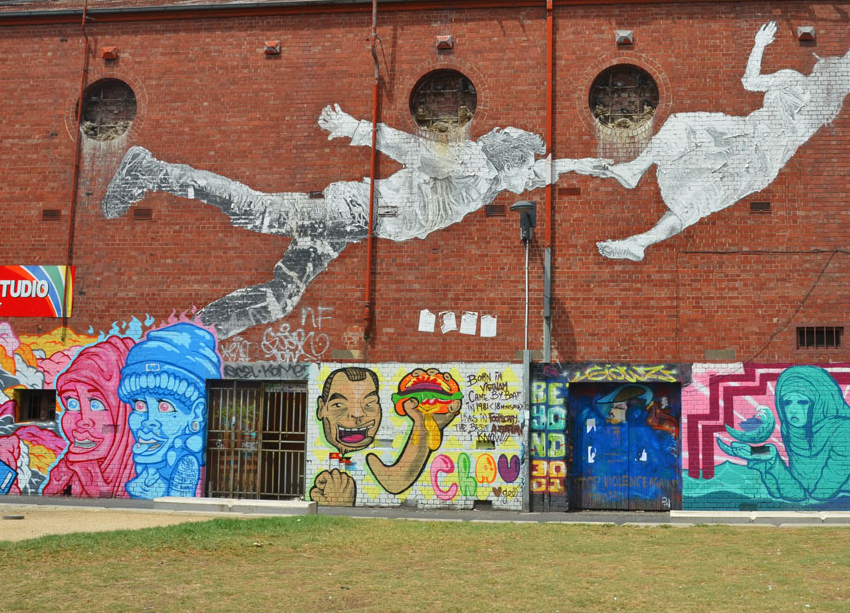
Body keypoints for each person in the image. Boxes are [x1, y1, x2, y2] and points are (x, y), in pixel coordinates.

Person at [102, 110, 610, 338]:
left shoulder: (493, 179)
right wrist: (355, 128)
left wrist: (590, 165)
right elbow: (411, 148)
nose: (527, 180)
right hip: (351, 211)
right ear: (509, 159)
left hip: (352, 227)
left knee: (280, 298)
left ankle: (194, 332)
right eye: (524, 168)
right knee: (257, 211)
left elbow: (547, 171)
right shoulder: (469, 164)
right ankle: (153, 170)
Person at [591, 17, 850, 260]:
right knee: (686, 134)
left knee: (695, 185)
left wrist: (761, 44)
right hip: (751, 144)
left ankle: (639, 233)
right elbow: (754, 82)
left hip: (752, 151)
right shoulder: (805, 97)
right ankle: (635, 179)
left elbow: (754, 83)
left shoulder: (805, 97)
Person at [309, 366, 462, 506]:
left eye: (369, 404)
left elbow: (396, 481)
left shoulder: (375, 453)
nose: (357, 414)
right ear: (322, 408)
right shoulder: (363, 456)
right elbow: (395, 481)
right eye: (339, 405)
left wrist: (423, 422)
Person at [741, 365, 850, 504]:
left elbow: (822, 493)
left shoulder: (847, 432)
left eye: (803, 402)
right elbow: (796, 493)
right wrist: (772, 461)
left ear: (820, 403)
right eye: (787, 403)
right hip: (821, 497)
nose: (792, 409)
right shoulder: (792, 432)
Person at [117, 322, 222, 499]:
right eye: (139, 406)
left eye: (164, 407)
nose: (148, 421)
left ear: (196, 413)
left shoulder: (186, 467)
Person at [43, 336, 138, 498]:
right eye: (72, 404)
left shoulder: (143, 478)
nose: (82, 421)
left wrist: (88, 473)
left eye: (96, 404)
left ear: (125, 411)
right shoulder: (65, 471)